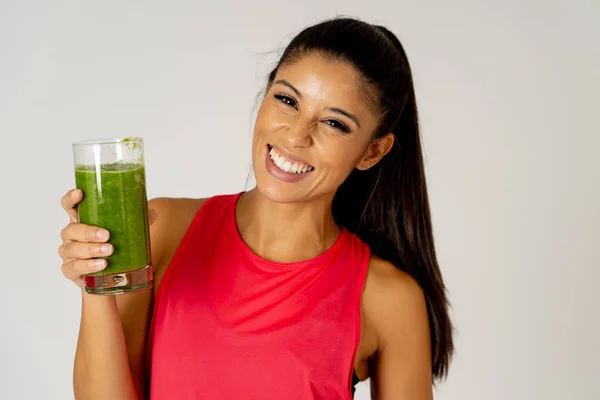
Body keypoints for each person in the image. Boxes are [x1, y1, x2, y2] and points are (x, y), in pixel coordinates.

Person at [58, 17, 453, 400]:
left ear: (372, 151)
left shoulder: (389, 299)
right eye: (286, 100)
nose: (296, 136)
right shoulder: (164, 230)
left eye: (334, 123)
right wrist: (95, 282)